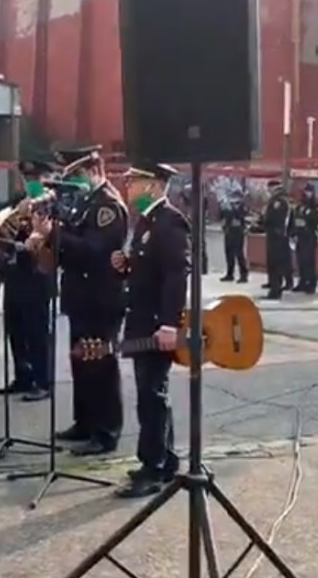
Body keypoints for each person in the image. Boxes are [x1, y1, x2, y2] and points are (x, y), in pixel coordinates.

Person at [26, 145, 127, 456]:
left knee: (101, 365)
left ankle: (106, 431)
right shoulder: (85, 204)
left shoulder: (107, 206)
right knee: (80, 362)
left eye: (79, 175)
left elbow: (95, 251)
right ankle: (84, 422)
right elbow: (68, 244)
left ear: (94, 171)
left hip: (101, 298)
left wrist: (55, 233)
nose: (74, 182)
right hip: (79, 296)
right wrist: (45, 235)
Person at [111, 162, 188, 498]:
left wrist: (170, 323)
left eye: (134, 182)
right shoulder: (146, 221)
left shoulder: (169, 222)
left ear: (155, 186)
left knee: (151, 395)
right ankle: (166, 460)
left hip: (157, 323)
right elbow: (149, 270)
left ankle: (153, 468)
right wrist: (125, 267)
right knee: (153, 392)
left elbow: (176, 275)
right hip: (141, 318)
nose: (128, 188)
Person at [0, 161, 56, 401]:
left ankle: (43, 381)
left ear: (46, 178)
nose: (30, 182)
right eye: (26, 177)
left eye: (35, 177)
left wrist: (30, 221)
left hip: (37, 275)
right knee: (15, 328)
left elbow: (52, 238)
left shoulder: (52, 203)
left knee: (37, 332)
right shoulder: (17, 200)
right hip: (13, 274)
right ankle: (23, 376)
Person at [290, 183, 318, 293]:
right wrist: (292, 233)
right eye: (306, 191)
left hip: (309, 236)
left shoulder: (315, 206)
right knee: (300, 261)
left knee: (309, 261)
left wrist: (312, 215)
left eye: (309, 191)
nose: (307, 194)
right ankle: (302, 282)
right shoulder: (300, 206)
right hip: (300, 236)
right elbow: (294, 220)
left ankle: (311, 284)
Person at [261, 180, 293, 299]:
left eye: (269, 188)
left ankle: (276, 290)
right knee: (273, 263)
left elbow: (275, 218)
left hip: (277, 236)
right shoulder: (275, 200)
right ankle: (274, 286)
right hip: (274, 235)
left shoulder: (279, 201)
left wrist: (265, 221)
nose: (268, 191)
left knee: (276, 263)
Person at [219, 190, 249, 283]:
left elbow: (241, 215)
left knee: (239, 254)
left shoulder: (242, 206)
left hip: (238, 232)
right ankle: (229, 274)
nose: (233, 199)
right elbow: (222, 216)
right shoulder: (228, 206)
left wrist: (234, 208)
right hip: (229, 231)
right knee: (229, 253)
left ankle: (243, 274)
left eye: (236, 197)